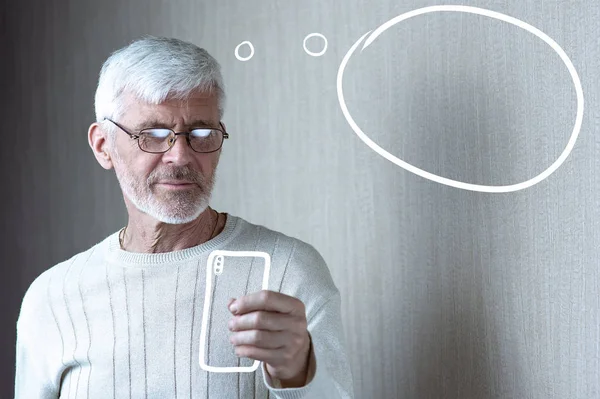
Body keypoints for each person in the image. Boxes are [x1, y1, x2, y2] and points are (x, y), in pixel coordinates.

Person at [14, 36, 354, 398]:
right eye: (154, 134)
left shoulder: (289, 272)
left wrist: (297, 374)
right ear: (103, 146)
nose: (180, 155)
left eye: (201, 133)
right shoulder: (52, 297)